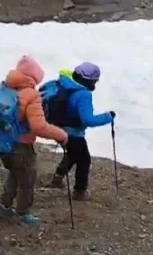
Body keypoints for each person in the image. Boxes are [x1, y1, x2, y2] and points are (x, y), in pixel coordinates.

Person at [0, 56, 68, 226]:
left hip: (2, 142)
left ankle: (5, 206)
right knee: (27, 179)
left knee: (15, 172)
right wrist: (61, 135)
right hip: (21, 144)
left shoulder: (3, 87)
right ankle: (23, 213)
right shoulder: (31, 94)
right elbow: (39, 126)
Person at [45, 63, 114, 201]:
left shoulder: (65, 84)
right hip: (74, 133)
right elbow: (88, 120)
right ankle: (79, 191)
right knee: (84, 160)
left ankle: (57, 179)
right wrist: (108, 117)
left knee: (72, 154)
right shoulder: (83, 94)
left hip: (59, 129)